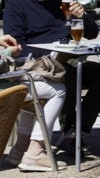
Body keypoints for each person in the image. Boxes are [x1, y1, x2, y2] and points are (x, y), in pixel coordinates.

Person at [3, 0, 100, 158]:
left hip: (68, 59)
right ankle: (67, 134)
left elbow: (92, 33)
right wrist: (48, 51)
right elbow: (17, 46)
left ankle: (75, 132)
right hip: (38, 67)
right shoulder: (17, 4)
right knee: (70, 73)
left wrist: (82, 16)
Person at [2, 34, 67, 172]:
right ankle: (35, 152)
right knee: (58, 90)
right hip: (4, 90)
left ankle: (19, 150)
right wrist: (8, 52)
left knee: (37, 91)